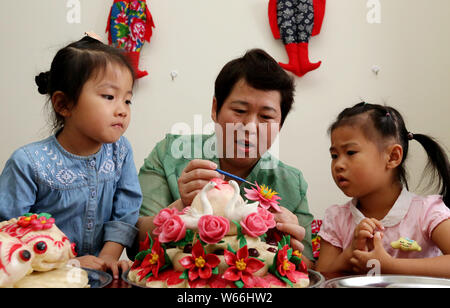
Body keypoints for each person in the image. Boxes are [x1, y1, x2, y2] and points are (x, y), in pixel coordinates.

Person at [137, 49, 315, 266]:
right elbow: (137, 242)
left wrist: (292, 246)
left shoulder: (291, 184)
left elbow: (310, 267)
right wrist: (181, 206)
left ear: (280, 124)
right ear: (215, 108)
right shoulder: (170, 153)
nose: (249, 127)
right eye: (239, 110)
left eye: (266, 117)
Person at [0, 35, 143, 279]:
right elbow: (8, 239)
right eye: (109, 96)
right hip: (43, 279)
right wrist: (69, 262)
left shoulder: (121, 151)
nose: (122, 110)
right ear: (63, 104)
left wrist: (107, 257)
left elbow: (126, 211)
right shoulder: (28, 163)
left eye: (127, 100)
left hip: (101, 279)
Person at [316, 102, 450, 277]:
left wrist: (391, 266)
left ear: (393, 157)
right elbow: (322, 277)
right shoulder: (337, 218)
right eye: (334, 155)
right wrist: (349, 255)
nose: (338, 165)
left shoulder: (427, 212)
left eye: (350, 152)